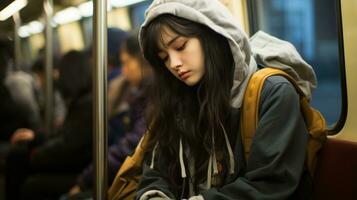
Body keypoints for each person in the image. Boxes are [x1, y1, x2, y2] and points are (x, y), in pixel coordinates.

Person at [135, 0, 316, 199]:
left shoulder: (273, 93)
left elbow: (270, 185)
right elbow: (155, 171)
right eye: (164, 58)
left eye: (180, 46)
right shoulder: (179, 100)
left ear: (212, 34)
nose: (174, 64)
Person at [63, 30, 151, 200]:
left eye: (126, 63)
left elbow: (130, 147)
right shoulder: (136, 93)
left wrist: (85, 179)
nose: (124, 71)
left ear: (140, 59)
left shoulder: (150, 97)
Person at [6, 50, 93, 200]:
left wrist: (38, 154)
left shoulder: (87, 105)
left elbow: (70, 146)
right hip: (72, 162)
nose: (57, 77)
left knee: (30, 180)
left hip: (77, 168)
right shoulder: (80, 102)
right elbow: (64, 134)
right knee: (18, 155)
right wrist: (36, 138)